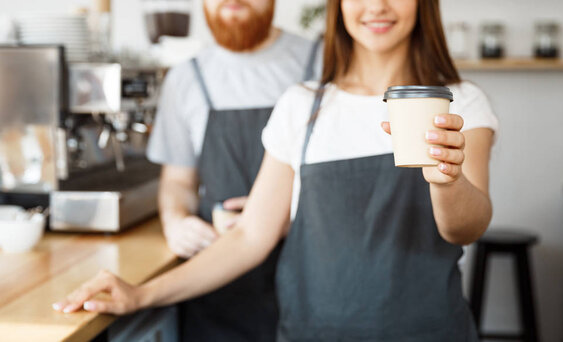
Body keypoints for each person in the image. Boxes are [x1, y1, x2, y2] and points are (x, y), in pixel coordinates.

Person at [54, 0, 498, 340]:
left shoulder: (460, 100)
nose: (377, 6)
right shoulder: (302, 104)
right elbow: (251, 236)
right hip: (311, 333)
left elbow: (466, 227)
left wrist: (448, 179)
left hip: (428, 332)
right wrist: (140, 294)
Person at [143, 0, 320, 340]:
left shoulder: (322, 61)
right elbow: (178, 180)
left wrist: (282, 217)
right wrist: (176, 220)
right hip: (217, 293)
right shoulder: (186, 78)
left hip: (310, 283)